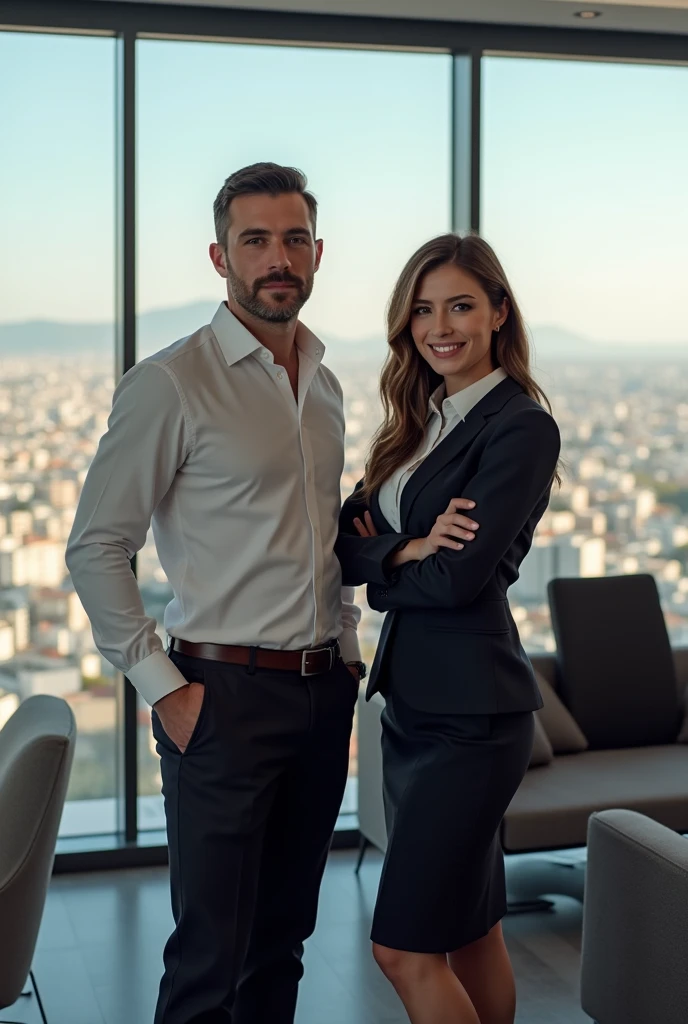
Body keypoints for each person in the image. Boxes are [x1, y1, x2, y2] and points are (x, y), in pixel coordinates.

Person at [66, 162, 365, 1024]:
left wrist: (344, 646)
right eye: (257, 240)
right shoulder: (170, 382)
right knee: (209, 956)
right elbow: (96, 547)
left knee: (284, 944)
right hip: (220, 696)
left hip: (319, 693)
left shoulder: (326, 383)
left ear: (317, 252)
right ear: (219, 255)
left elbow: (319, 538)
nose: (280, 258)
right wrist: (167, 692)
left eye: (295, 239)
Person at [335, 233, 561, 1024]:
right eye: (423, 310)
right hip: (413, 712)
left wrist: (387, 571)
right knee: (471, 934)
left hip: (472, 720)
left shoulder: (519, 427)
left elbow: (461, 579)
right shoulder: (418, 422)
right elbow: (344, 538)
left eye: (461, 305)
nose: (441, 326)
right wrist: (404, 548)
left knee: (401, 949)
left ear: (499, 312)